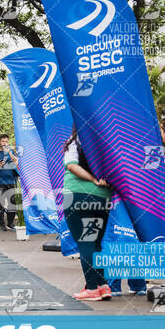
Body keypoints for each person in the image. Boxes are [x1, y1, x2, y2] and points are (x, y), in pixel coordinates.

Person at [63, 128, 113, 301]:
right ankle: (103, 285)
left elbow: (71, 165)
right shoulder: (106, 138)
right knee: (96, 243)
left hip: (78, 196)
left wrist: (92, 179)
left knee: (85, 243)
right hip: (103, 198)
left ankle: (92, 288)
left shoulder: (75, 140)